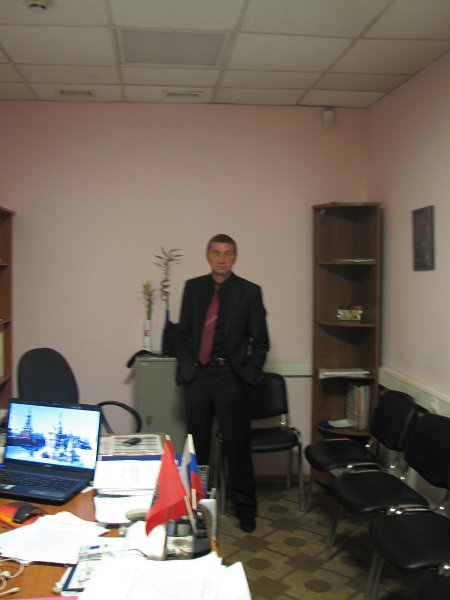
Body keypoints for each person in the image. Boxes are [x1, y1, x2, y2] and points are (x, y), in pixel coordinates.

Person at [175, 234, 269, 532]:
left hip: (231, 377)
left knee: (237, 447)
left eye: (227, 253)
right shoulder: (193, 288)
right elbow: (184, 333)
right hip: (199, 378)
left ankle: (245, 509)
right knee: (197, 448)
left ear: (234, 257)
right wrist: (188, 368)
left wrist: (248, 374)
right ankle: (197, 507)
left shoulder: (249, 292)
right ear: (208, 256)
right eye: (216, 253)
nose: (221, 259)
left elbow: (261, 341)